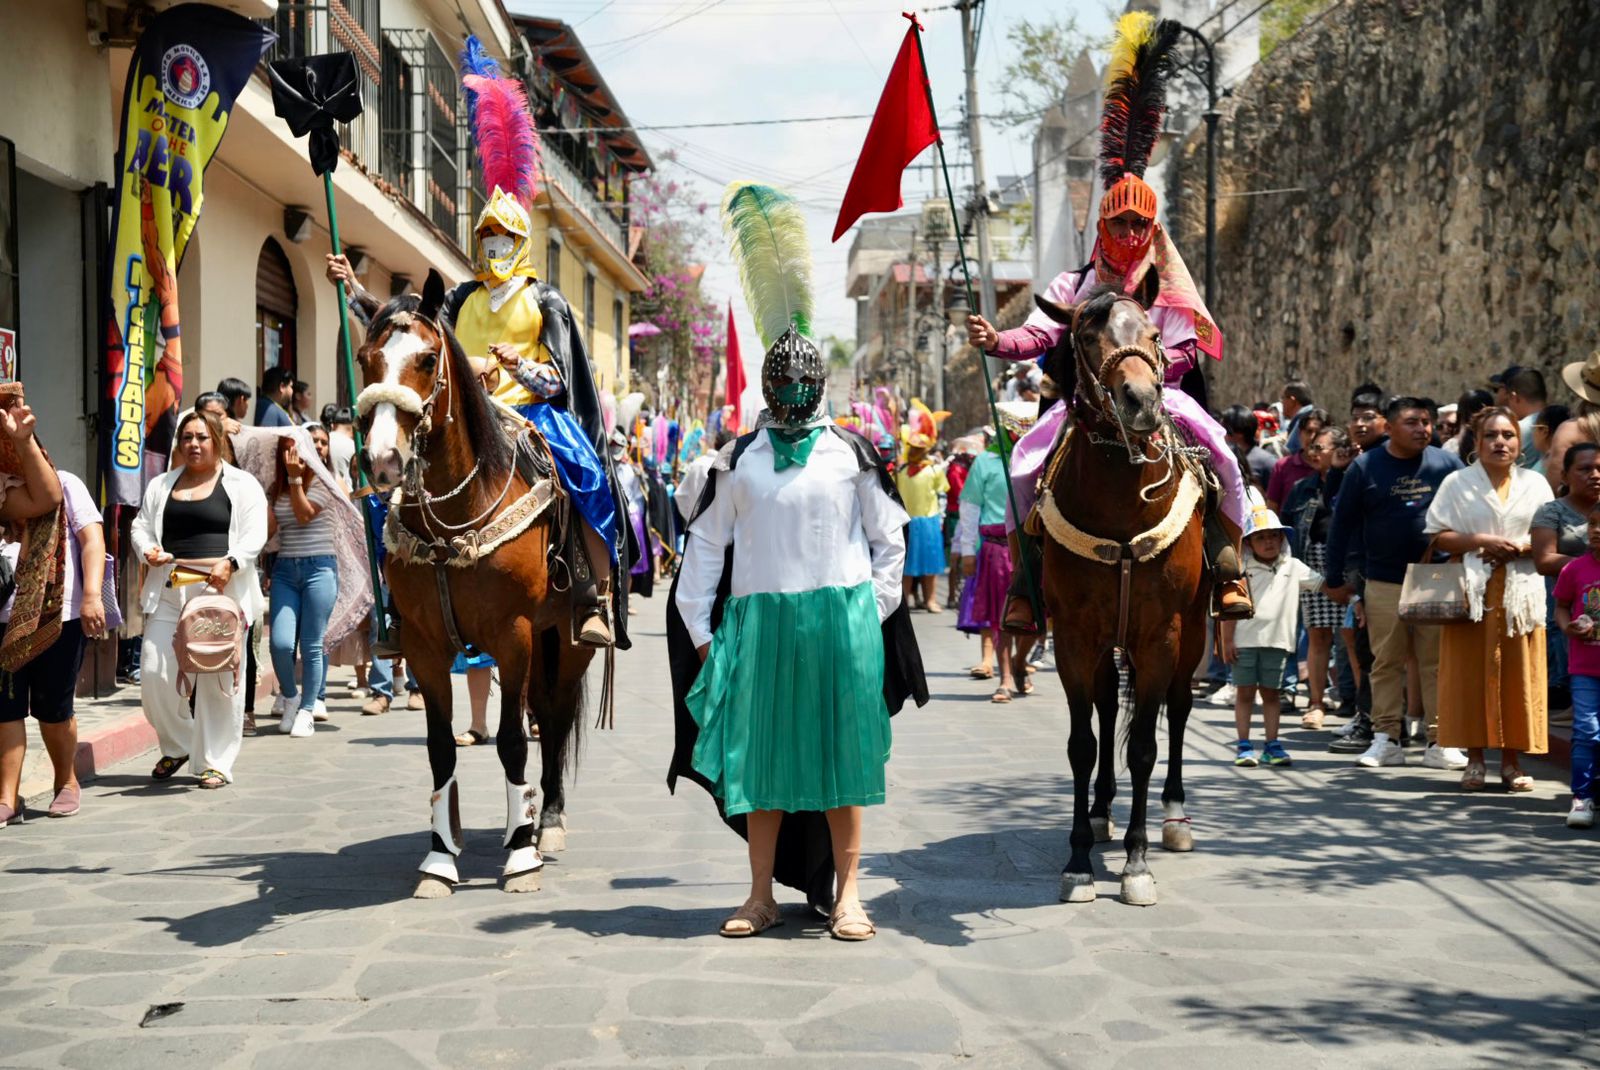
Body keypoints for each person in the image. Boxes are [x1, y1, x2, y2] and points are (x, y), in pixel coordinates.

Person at [668, 182, 924, 940]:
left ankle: (849, 896)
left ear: (813, 386)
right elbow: (705, 548)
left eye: (796, 384)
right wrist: (708, 637)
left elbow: (890, 540)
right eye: (777, 386)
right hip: (757, 628)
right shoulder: (739, 459)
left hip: (839, 622)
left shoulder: (851, 453)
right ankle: (758, 895)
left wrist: (866, 618)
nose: (786, 393)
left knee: (846, 766)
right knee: (761, 768)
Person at [328, 54, 627, 649]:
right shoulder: (460, 296)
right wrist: (357, 290)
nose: (493, 247)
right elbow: (408, 330)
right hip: (467, 413)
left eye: (503, 239)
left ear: (520, 242)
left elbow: (561, 380)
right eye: (486, 237)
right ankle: (394, 608)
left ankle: (594, 594)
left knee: (587, 475)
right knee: (390, 490)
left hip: (531, 412)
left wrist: (519, 366)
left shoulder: (545, 300)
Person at [964, 11, 1249, 625]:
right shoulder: (1076, 282)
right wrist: (997, 338)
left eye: (1139, 223)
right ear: (1103, 226)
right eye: (1119, 222)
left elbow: (1184, 351)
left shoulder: (1167, 286)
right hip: (1086, 406)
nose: (1129, 231)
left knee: (1223, 454)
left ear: (1152, 226)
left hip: (1159, 398)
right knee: (1021, 469)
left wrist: (1142, 370)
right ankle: (1026, 581)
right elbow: (1040, 332)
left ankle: (1228, 566)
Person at [1324, 396, 1466, 770]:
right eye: (1411, 422)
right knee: (1385, 661)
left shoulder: (1447, 464)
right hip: (1383, 578)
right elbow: (1342, 526)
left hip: (1436, 576)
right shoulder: (1365, 467)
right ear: (1389, 426)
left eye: (1426, 422)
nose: (1422, 429)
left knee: (1437, 662)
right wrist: (1335, 577)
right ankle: (1386, 737)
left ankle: (1440, 739)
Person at [132, 410, 267, 789]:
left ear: (218, 441)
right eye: (187, 437)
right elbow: (140, 526)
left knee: (217, 678)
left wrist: (233, 562)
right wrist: (148, 551)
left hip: (219, 591)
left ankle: (216, 762)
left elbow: (254, 534)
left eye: (202, 437)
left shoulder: (242, 485)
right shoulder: (161, 485)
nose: (193, 444)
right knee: (155, 674)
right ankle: (179, 744)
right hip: (169, 588)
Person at [1426, 408, 1552, 790]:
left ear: (1519, 442)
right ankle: (1475, 761)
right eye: (1492, 436)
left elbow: (1550, 537)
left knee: (1518, 675)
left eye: (1509, 435)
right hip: (1473, 591)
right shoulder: (1456, 483)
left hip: (1520, 593)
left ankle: (1512, 763)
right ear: (1476, 443)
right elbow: (1438, 535)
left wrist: (1519, 547)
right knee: (1468, 674)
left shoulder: (1536, 484)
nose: (1501, 442)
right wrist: (1481, 542)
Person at [0, 455, 95, 826]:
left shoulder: (66, 482)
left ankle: (65, 780)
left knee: (54, 711)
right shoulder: (3, 489)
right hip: (4, 617)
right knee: (5, 710)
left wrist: (90, 598)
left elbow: (91, 540)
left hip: (58, 614)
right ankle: (8, 796)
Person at [1220, 506, 1323, 768]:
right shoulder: (1240, 569)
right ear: (1248, 542)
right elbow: (1229, 608)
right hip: (1244, 643)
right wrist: (1227, 641)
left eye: (1274, 536)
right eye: (1261, 537)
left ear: (1282, 539)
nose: (1268, 542)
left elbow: (1323, 584)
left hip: (1277, 643)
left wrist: (1354, 596)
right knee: (1244, 694)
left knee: (1272, 694)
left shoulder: (1293, 566)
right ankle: (1244, 746)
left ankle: (1272, 745)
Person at [953, 403, 1038, 703]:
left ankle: (1021, 661)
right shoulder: (986, 462)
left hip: (1035, 545)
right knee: (1000, 616)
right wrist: (966, 551)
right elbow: (970, 507)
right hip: (996, 548)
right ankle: (1003, 679)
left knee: (1039, 619)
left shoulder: (1041, 456)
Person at [265, 431, 340, 737]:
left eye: (295, 450)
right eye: (284, 450)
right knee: (280, 643)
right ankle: (292, 697)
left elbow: (304, 514)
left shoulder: (323, 481)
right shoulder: (276, 487)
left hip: (319, 568)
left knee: (311, 644)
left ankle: (308, 709)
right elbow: (271, 529)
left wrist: (297, 480)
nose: (290, 456)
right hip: (285, 568)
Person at [1282, 425, 1354, 729]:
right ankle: (1315, 703)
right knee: (1318, 635)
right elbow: (1287, 526)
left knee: (1351, 637)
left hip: (1347, 565)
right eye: (1311, 448)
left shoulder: (1352, 479)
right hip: (1312, 564)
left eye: (1319, 448)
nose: (1313, 453)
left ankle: (1357, 703)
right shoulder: (1303, 488)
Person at [1533, 442, 1600, 716]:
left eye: (1599, 469)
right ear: (1565, 476)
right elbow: (1544, 560)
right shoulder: (1552, 512)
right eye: (1585, 469)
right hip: (1567, 606)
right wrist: (1586, 569)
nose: (1594, 475)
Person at [1552, 508, 1600, 828]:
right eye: (1594, 524)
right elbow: (1561, 607)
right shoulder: (1574, 569)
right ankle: (1581, 798)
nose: (1597, 530)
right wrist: (1568, 627)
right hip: (1585, 667)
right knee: (1587, 730)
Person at [896, 433, 949, 613]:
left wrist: (941, 519)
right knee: (906, 566)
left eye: (920, 449)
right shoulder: (901, 471)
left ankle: (931, 599)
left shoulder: (934, 471)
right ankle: (902, 602)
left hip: (929, 521)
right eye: (913, 448)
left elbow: (942, 495)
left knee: (931, 564)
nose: (916, 452)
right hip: (907, 521)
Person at [1265, 406, 1328, 512]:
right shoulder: (1283, 466)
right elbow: (1272, 508)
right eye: (1308, 431)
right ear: (1300, 434)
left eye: (1318, 432)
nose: (1312, 437)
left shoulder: (1334, 468)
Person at [1222, 405, 1277, 491]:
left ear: (1239, 433)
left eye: (1224, 429)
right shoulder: (1224, 460)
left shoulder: (1267, 461)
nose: (1221, 434)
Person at [319, 403, 356, 488]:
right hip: (346, 494)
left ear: (333, 425)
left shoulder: (321, 442)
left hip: (321, 491)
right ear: (353, 427)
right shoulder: (354, 447)